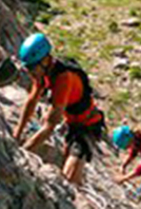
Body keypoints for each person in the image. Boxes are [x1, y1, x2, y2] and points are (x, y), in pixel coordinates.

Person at [13, 33, 105, 186]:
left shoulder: (64, 78)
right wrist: (17, 133)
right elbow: (32, 100)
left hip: (87, 126)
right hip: (73, 123)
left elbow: (50, 125)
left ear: (44, 60)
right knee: (68, 170)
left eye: (32, 67)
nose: (30, 72)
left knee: (69, 179)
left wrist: (23, 151)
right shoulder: (44, 73)